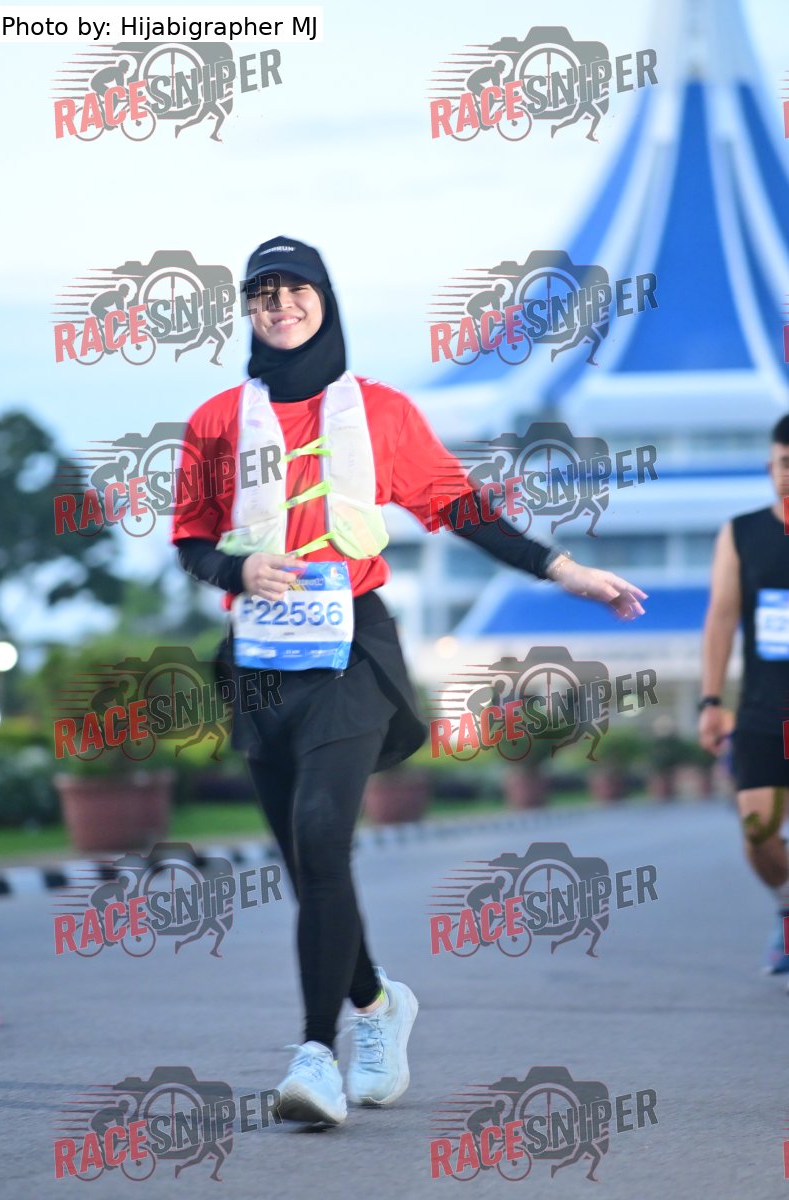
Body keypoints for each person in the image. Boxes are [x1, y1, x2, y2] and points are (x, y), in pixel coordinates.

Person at [171, 236, 647, 1127]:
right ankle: (379, 1005)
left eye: (296, 290)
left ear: (324, 300)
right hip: (263, 661)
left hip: (353, 650)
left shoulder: (381, 412)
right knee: (303, 863)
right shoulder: (214, 421)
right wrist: (236, 571)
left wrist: (565, 570)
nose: (281, 307)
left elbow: (460, 506)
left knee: (323, 836)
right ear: (247, 312)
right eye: (263, 295)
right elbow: (192, 538)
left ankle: (315, 1056)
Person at [699, 414, 789, 980]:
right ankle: (786, 909)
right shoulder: (742, 532)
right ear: (769, 467)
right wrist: (710, 701)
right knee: (758, 833)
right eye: (785, 464)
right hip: (764, 710)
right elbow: (722, 617)